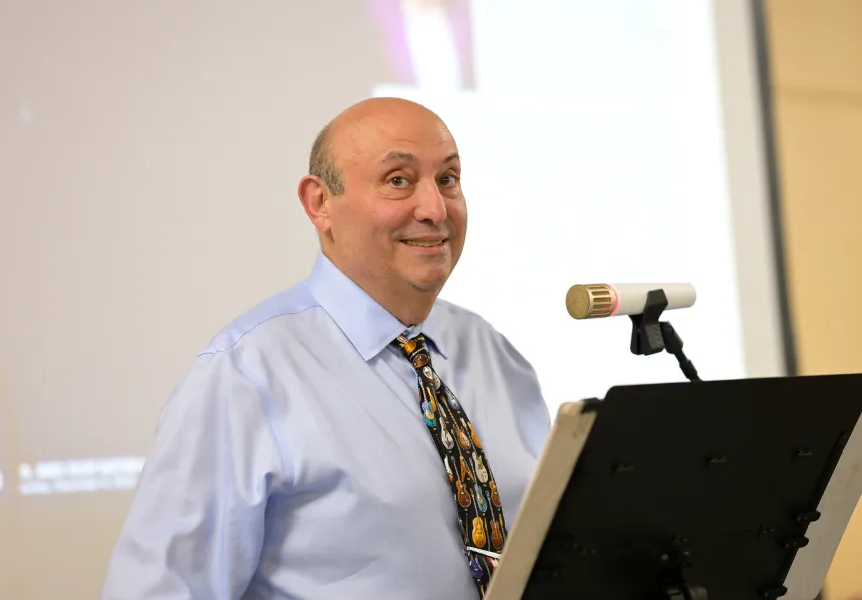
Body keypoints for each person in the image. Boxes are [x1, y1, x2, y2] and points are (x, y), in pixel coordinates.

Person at [100, 97, 551, 600]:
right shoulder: (244, 377)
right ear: (319, 204)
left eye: (448, 178)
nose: (435, 209)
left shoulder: (495, 354)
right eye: (398, 180)